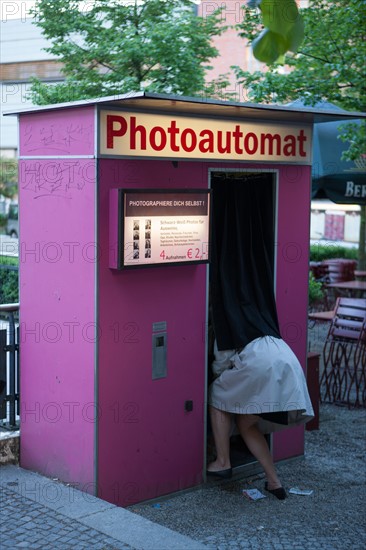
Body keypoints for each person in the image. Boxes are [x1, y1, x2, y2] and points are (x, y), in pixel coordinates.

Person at [206, 337, 314, 500]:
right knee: (246, 423)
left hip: (260, 363)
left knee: (217, 393)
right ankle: (274, 482)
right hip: (286, 359)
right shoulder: (261, 313)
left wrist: (215, 375)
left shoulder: (227, 315)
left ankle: (222, 462)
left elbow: (223, 357)